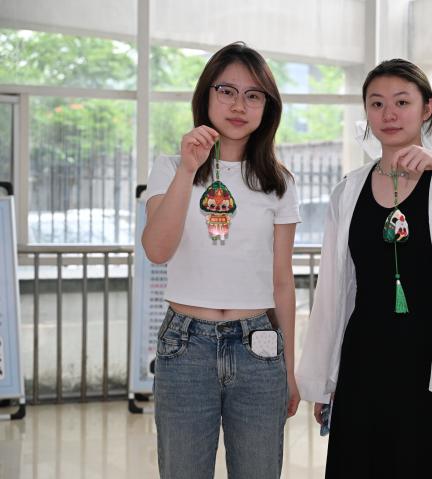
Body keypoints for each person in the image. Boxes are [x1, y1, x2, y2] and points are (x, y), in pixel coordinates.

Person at [296, 58, 432, 478]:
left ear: (426, 107)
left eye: (402, 102)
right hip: (365, 359)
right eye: (377, 104)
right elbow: (334, 293)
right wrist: (325, 378)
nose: (389, 114)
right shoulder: (348, 190)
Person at [142, 42, 300, 479]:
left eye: (253, 95)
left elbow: (282, 282)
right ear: (206, 95)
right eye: (227, 91)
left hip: (259, 348)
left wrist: (288, 369)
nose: (239, 105)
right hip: (185, 346)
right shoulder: (170, 167)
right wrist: (188, 169)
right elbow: (157, 249)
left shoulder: (278, 182)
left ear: (268, 106)